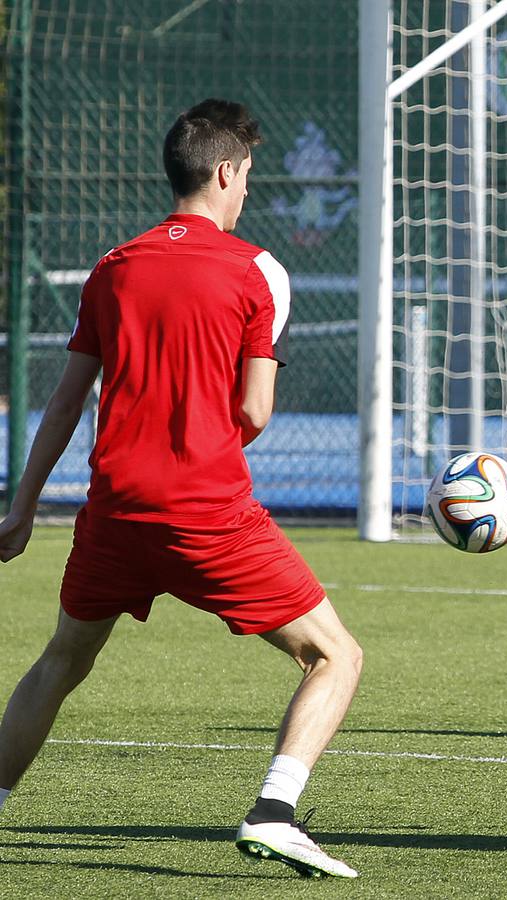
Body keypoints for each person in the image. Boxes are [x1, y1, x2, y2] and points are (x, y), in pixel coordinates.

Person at [0, 99, 362, 878]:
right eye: (248, 177)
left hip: (112, 513)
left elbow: (65, 401)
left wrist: (22, 505)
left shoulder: (114, 266)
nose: (246, 192)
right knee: (337, 656)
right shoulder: (256, 271)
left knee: (60, 660)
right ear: (227, 172)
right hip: (206, 515)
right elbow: (254, 410)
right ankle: (274, 813)